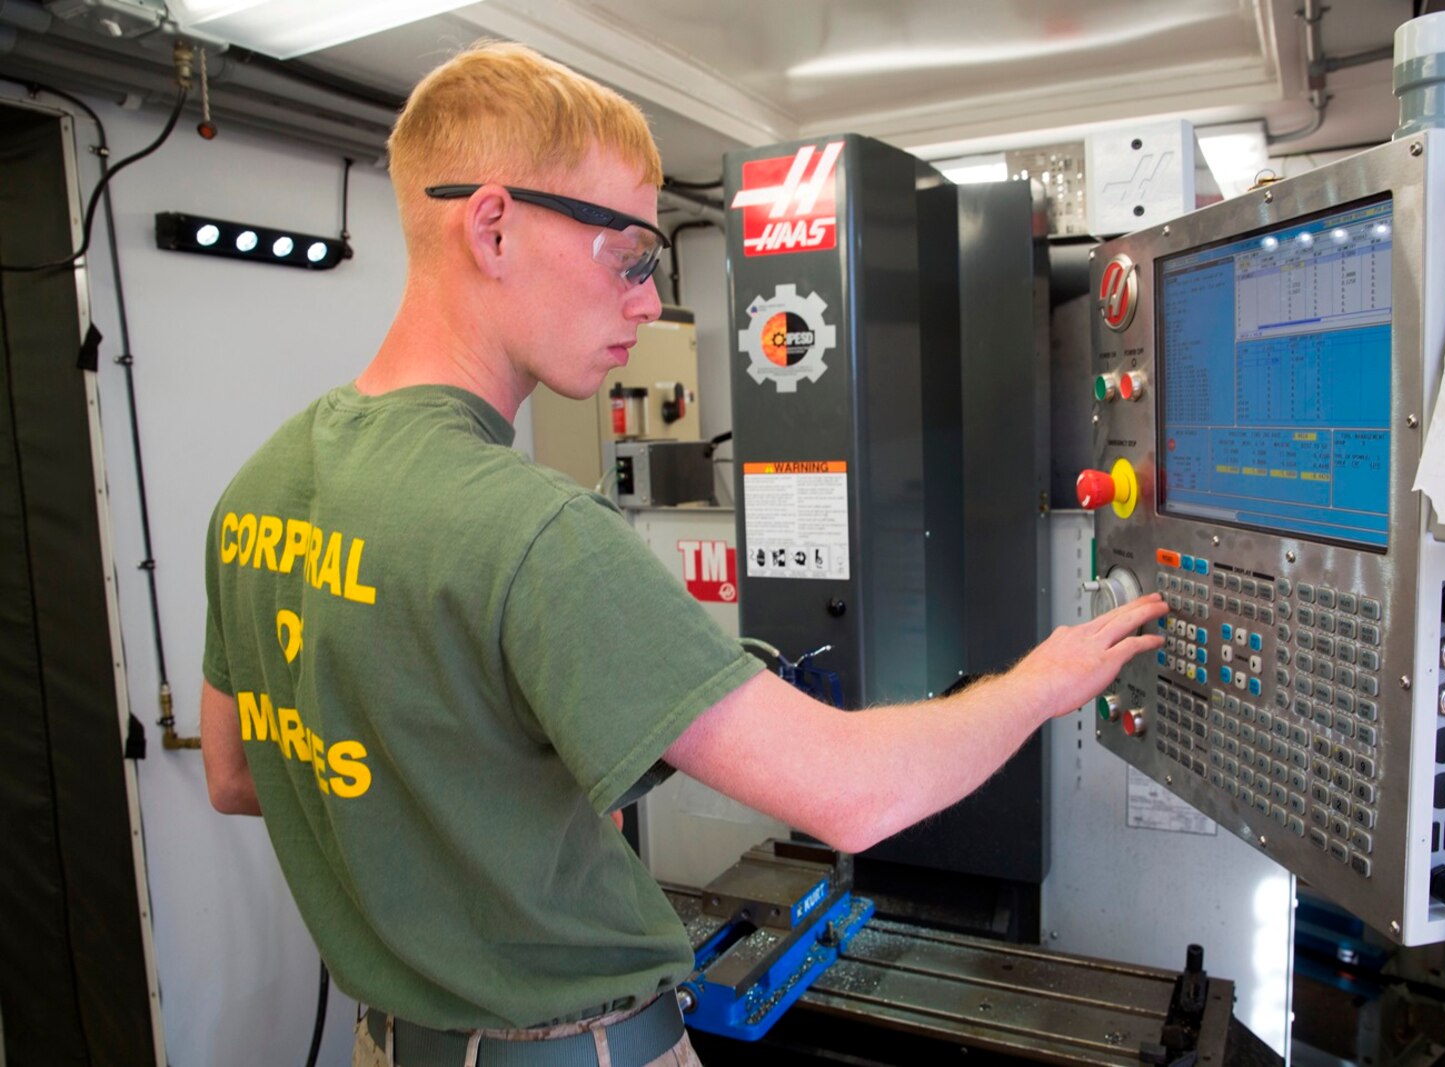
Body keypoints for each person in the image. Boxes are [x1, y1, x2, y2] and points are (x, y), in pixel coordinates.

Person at [199, 41, 1167, 1067]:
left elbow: (237, 770)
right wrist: (1038, 681)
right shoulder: (532, 529)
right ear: (491, 226)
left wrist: (496, 768)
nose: (646, 304)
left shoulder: (259, 489)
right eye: (625, 256)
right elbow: (852, 796)